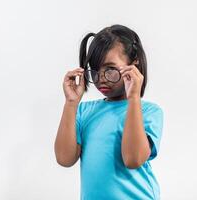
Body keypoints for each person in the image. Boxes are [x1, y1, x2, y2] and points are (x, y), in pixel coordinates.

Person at [54, 24, 164, 200]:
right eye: (95, 71)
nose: (101, 79)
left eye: (110, 69)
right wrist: (71, 103)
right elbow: (64, 158)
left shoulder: (149, 112)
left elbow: (133, 159)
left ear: (133, 65)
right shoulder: (84, 111)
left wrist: (133, 97)